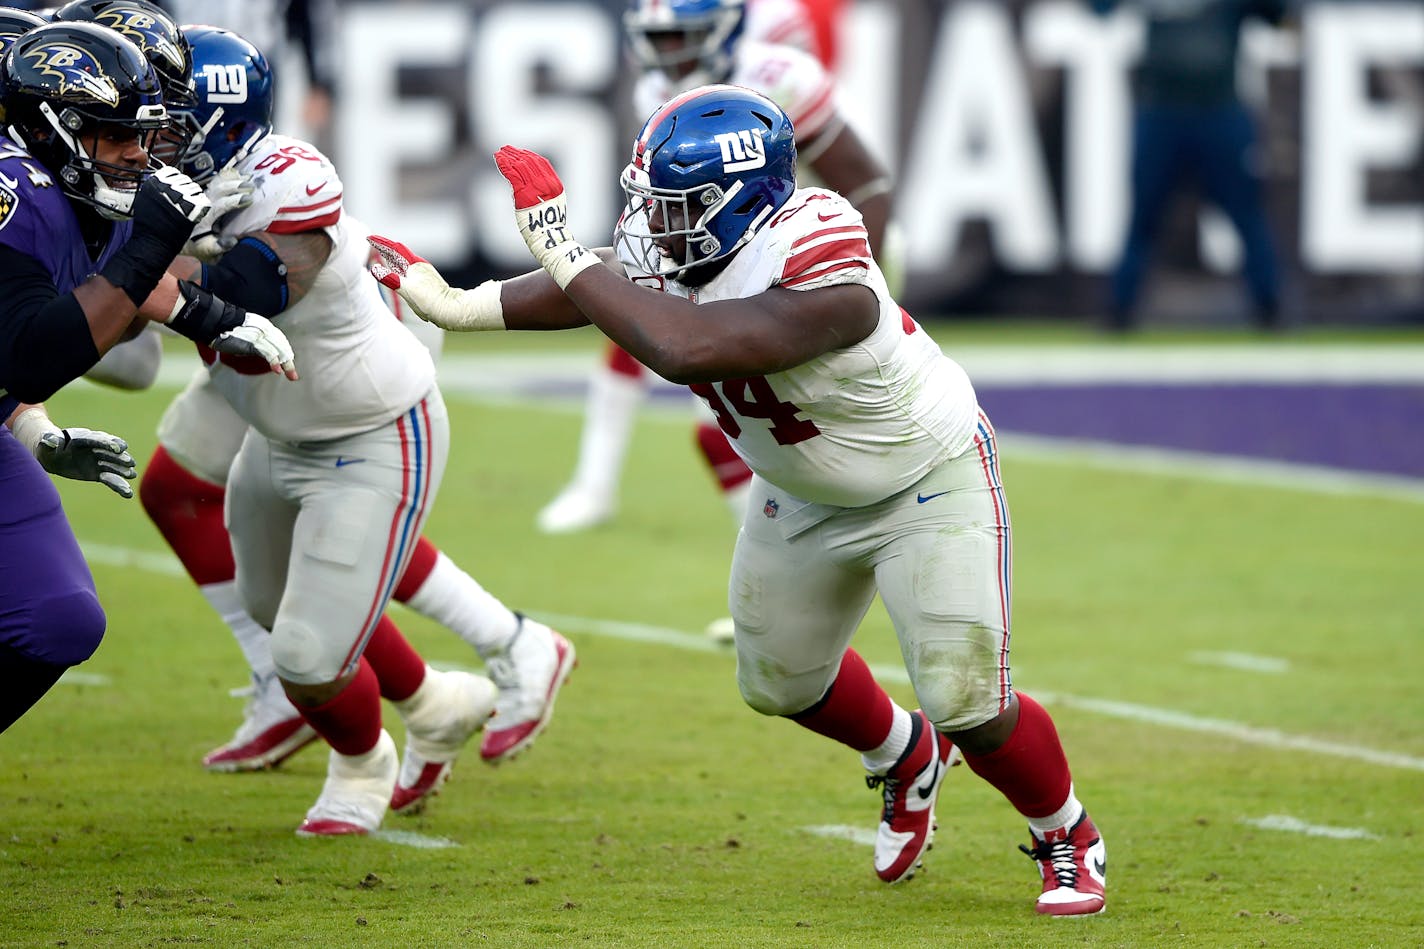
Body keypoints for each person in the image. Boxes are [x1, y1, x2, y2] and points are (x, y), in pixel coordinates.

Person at [369, 85, 1107, 914]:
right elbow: (614, 280)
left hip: (922, 480)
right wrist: (464, 305)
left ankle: (1065, 832)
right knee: (779, 681)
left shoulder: (826, 256)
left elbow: (690, 348)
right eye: (656, 202)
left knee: (969, 699)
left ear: (744, 201)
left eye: (681, 206)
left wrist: (561, 254)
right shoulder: (679, 238)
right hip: (800, 488)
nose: (660, 222)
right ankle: (904, 753)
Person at [59, 10, 574, 778]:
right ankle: (387, 682)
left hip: (343, 340)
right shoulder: (159, 171)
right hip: (257, 351)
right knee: (182, 490)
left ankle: (500, 643)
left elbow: (224, 296)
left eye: (166, 125)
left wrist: (97, 287)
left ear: (212, 128)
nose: (144, 139)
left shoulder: (280, 182)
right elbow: (132, 342)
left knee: (343, 515)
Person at [0, 21, 294, 733]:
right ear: (52, 130)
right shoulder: (16, 191)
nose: (138, 155)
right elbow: (31, 354)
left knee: (60, 618)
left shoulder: (84, 198)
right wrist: (160, 249)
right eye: (117, 136)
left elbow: (136, 282)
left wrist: (212, 315)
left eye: (143, 134)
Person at [536, 0, 894, 538]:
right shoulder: (658, 90)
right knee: (683, 375)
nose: (668, 52)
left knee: (815, 426)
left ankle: (875, 518)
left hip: (818, 255)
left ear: (726, 28)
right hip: (729, 248)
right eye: (659, 38)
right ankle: (607, 490)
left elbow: (861, 181)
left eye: (682, 35)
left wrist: (852, 273)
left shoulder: (779, 69)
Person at [1091, 0, 1288, 331]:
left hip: (1219, 110)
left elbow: (1275, 14)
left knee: (1247, 214)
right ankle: (1120, 309)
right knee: (1143, 217)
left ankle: (1269, 306)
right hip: (1161, 111)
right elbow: (1098, 9)